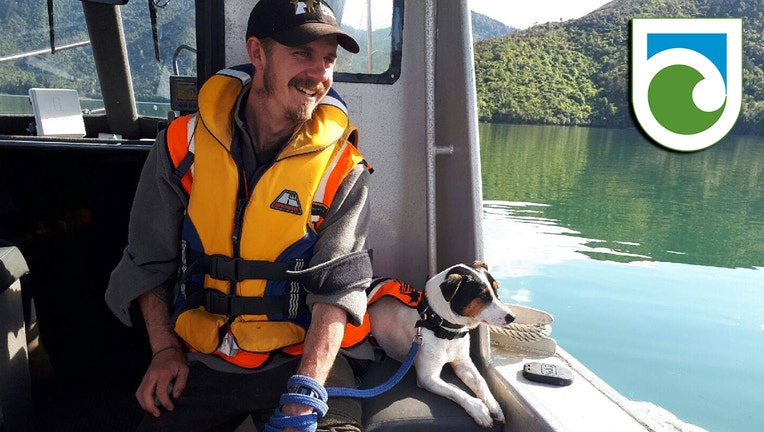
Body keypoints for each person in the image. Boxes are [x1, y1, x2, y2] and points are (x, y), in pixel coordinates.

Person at [104, 1, 372, 431]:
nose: (319, 75)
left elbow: (338, 289)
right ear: (258, 52)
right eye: (302, 54)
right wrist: (163, 351)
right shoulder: (181, 145)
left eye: (328, 60)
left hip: (303, 357)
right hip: (204, 358)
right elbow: (148, 259)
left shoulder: (343, 165)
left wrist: (306, 387)